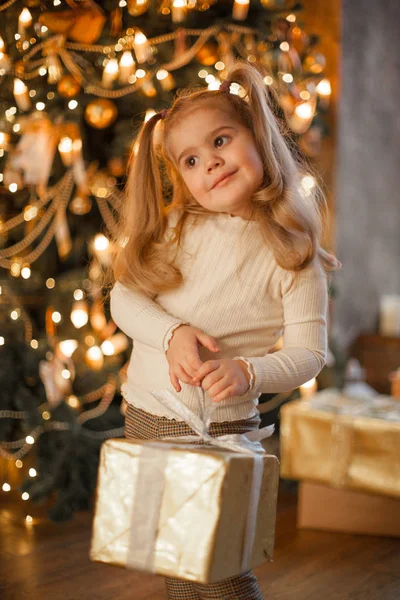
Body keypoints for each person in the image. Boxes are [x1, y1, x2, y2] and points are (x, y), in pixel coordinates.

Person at [107, 60, 341, 600]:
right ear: (181, 176)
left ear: (256, 138)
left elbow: (310, 354)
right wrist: (172, 333)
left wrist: (249, 371)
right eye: (192, 159)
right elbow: (125, 296)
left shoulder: (292, 250)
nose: (211, 163)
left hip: (218, 431)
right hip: (146, 416)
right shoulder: (176, 227)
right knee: (179, 561)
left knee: (216, 570)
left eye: (221, 141)